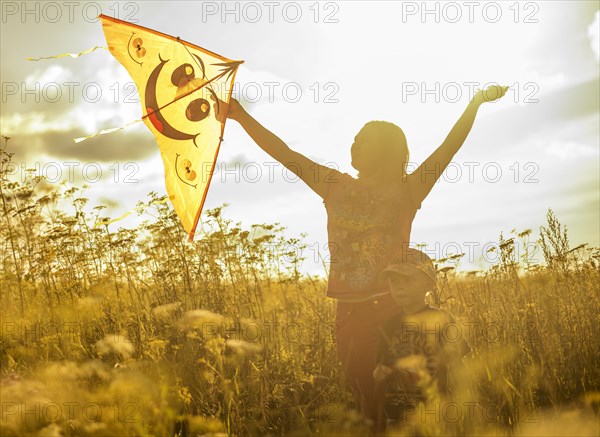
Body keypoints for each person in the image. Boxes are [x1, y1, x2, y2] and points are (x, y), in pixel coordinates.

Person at [213, 84, 507, 434]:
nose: (353, 145)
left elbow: (448, 149)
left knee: (399, 407)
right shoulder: (334, 185)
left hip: (393, 311)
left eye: (362, 140)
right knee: (366, 406)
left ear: (386, 149)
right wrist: (241, 115)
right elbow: (285, 154)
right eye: (353, 139)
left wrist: (474, 104)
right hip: (347, 316)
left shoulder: (407, 192)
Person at [373, 249, 471, 434]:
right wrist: (379, 372)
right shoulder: (389, 325)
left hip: (435, 411)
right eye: (394, 281)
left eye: (408, 280)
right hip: (397, 415)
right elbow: (382, 366)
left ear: (429, 284)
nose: (400, 287)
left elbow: (461, 366)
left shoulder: (442, 319)